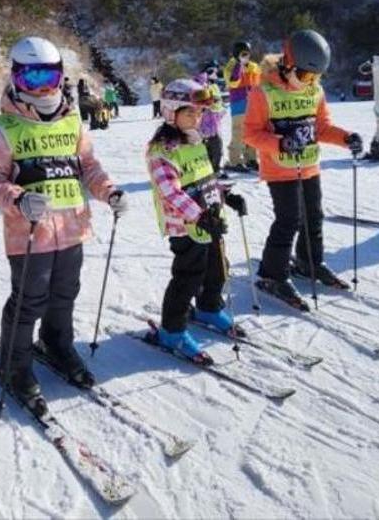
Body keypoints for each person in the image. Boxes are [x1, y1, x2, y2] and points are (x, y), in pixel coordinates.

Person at [0, 36, 125, 412]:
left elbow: (88, 168)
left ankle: (57, 345)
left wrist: (108, 192)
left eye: (51, 76)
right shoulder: (1, 129)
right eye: (32, 78)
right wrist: (18, 199)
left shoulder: (73, 123)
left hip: (73, 227)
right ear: (15, 79)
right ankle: (15, 364)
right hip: (29, 234)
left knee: (65, 293)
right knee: (29, 300)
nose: (43, 87)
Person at [244, 30, 362, 307]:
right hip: (280, 168)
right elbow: (250, 134)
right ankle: (272, 275)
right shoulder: (263, 93)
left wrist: (346, 138)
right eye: (306, 75)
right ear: (287, 63)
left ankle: (309, 262)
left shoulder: (314, 91)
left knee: (313, 217)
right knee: (288, 221)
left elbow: (321, 127)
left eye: (316, 77)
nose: (310, 82)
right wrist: (281, 143)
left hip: (308, 165)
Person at [146, 78, 247, 360]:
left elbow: (204, 179)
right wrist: (199, 216)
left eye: (199, 112)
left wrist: (225, 196)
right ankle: (172, 330)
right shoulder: (162, 150)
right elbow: (170, 192)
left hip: (209, 219)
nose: (196, 118)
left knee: (218, 267)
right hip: (185, 226)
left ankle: (209, 307)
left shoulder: (195, 141)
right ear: (170, 111)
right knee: (188, 276)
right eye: (189, 112)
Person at [223, 41, 261, 172]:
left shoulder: (253, 67)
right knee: (239, 133)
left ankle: (250, 159)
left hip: (253, 105)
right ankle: (234, 161)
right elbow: (233, 82)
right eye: (243, 53)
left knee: (252, 133)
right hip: (239, 104)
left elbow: (260, 82)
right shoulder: (230, 66)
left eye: (248, 53)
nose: (247, 56)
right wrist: (239, 64)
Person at [194, 62, 226, 176]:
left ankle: (215, 169)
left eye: (216, 71)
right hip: (203, 122)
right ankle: (205, 171)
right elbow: (196, 100)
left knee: (217, 147)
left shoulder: (215, 86)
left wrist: (220, 108)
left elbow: (219, 103)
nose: (215, 74)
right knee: (205, 149)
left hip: (214, 122)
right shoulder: (199, 83)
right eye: (212, 71)